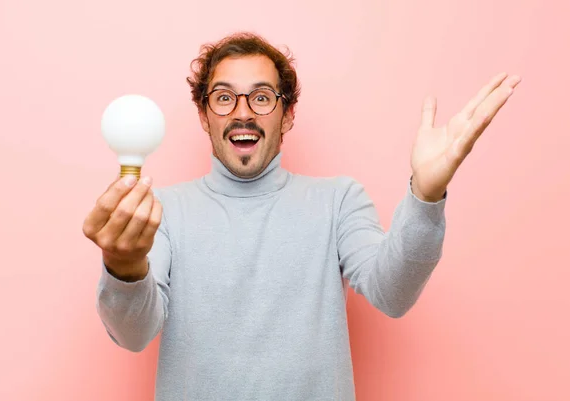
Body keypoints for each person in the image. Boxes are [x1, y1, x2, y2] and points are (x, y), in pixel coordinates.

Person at [83, 32, 521, 401]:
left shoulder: (337, 200)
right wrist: (123, 266)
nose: (242, 111)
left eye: (261, 97)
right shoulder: (161, 212)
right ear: (204, 115)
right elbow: (133, 334)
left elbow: (394, 293)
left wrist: (426, 196)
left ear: (287, 113)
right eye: (223, 98)